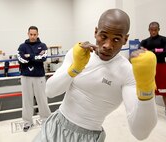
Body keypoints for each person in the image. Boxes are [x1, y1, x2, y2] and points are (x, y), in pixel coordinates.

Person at [33, 9, 158, 142]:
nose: (107, 45)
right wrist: (75, 69)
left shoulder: (127, 72)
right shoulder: (80, 53)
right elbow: (50, 91)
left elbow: (141, 133)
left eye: (116, 39)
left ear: (125, 39)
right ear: (95, 32)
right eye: (103, 36)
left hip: (89, 137)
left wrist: (146, 87)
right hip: (55, 125)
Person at [139, 22, 166, 125]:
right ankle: (150, 112)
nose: (153, 31)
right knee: (150, 90)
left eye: (155, 29)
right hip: (149, 68)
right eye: (151, 30)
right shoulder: (145, 41)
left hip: (161, 67)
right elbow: (140, 51)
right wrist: (158, 50)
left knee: (165, 91)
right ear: (149, 30)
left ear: (159, 29)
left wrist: (151, 50)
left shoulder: (165, 39)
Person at [17, 26, 51, 132]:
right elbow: (21, 59)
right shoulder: (22, 46)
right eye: (31, 34)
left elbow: (43, 58)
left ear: (37, 34)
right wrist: (34, 57)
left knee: (42, 99)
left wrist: (29, 56)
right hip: (25, 76)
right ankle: (27, 122)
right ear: (28, 34)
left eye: (34, 34)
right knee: (27, 100)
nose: (32, 36)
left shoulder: (43, 45)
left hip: (39, 76)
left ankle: (46, 120)